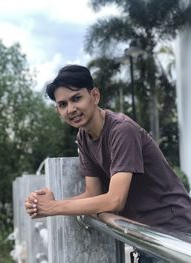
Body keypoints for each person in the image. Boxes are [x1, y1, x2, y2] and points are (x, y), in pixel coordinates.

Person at [24, 64, 191, 263]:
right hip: (144, 235)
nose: (71, 109)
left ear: (94, 96)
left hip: (172, 236)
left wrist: (53, 207)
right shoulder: (84, 137)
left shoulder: (122, 130)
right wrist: (51, 201)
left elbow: (114, 200)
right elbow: (93, 194)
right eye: (63, 104)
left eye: (77, 98)